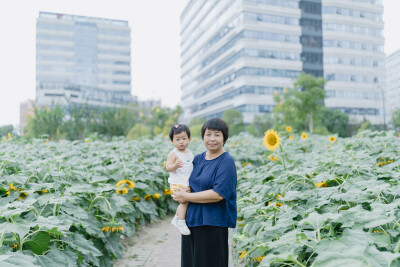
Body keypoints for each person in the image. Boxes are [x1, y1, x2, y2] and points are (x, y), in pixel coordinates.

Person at [172, 118, 237, 267]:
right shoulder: (197, 159)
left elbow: (218, 194)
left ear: (224, 138)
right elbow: (184, 180)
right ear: (203, 137)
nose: (212, 139)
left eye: (217, 134)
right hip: (191, 222)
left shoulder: (226, 161)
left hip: (213, 224)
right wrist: (180, 190)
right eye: (208, 134)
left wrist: (186, 196)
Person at [166, 124, 194, 235]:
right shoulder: (173, 154)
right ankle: (181, 222)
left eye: (184, 139)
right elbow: (168, 168)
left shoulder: (188, 152)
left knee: (186, 201)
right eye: (177, 139)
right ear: (172, 141)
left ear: (189, 139)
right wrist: (175, 166)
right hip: (177, 183)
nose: (181, 142)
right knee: (184, 201)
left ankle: (177, 218)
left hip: (186, 182)